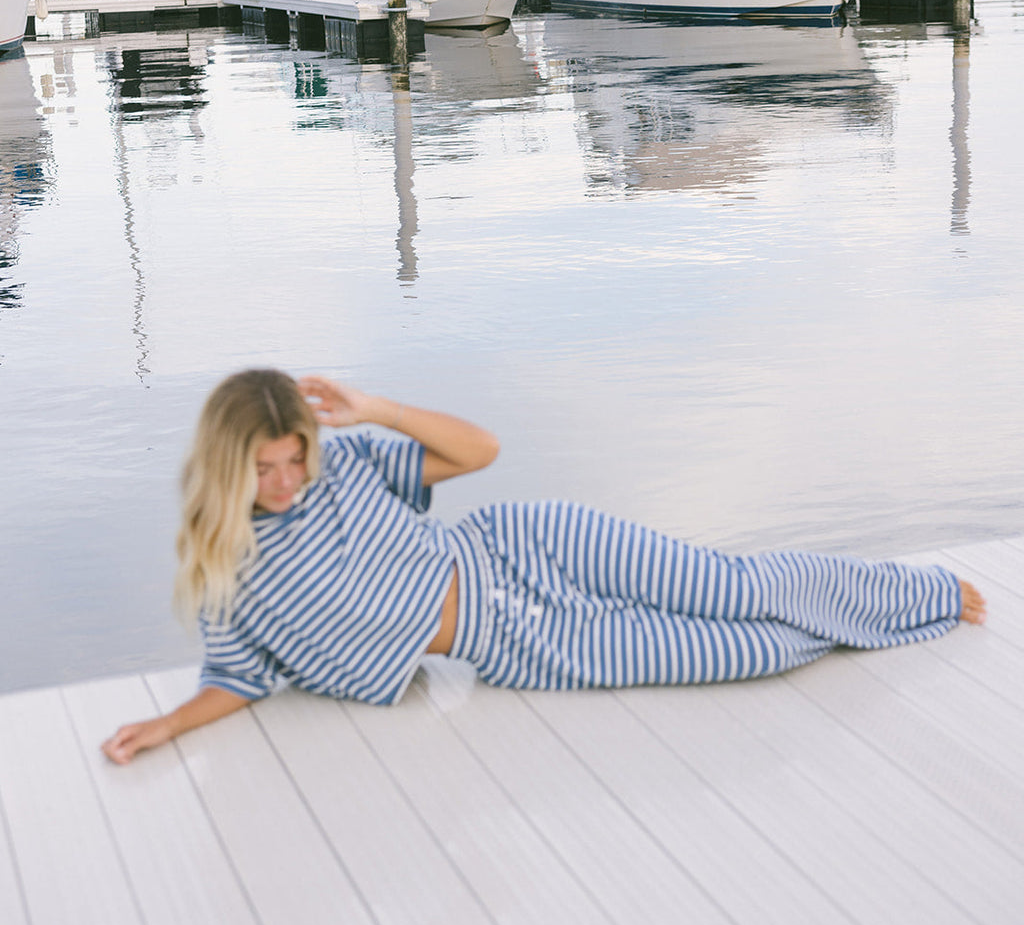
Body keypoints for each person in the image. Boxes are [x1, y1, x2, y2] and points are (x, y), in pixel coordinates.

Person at [102, 369, 986, 764]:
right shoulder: (230, 571)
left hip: (528, 544)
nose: (290, 480)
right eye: (266, 469)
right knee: (745, 653)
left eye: (296, 457)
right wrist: (168, 727)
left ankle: (923, 594)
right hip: (518, 643)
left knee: (736, 588)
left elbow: (481, 451)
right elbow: (240, 677)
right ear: (229, 464)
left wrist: (374, 409)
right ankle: (868, 627)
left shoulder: (351, 466)